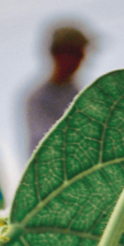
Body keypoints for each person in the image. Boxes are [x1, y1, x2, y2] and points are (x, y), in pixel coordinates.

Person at [24, 21, 91, 152]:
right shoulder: (39, 98)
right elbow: (49, 141)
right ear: (57, 54)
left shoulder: (81, 94)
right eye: (76, 53)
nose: (81, 60)